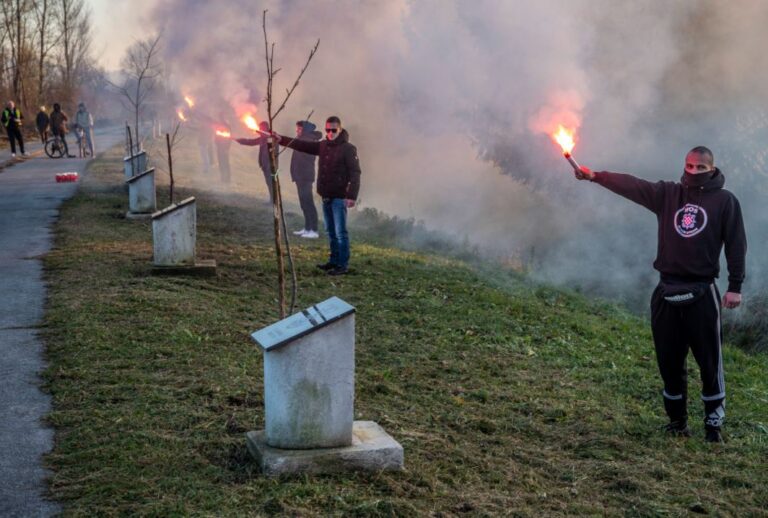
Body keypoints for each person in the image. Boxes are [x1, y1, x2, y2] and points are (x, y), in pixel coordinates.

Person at [575, 146, 746, 443]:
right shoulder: (668, 195)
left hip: (703, 291)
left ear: (712, 169)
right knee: (669, 361)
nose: (693, 172)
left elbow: (736, 244)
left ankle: (713, 426)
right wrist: (595, 176)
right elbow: (634, 185)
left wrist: (735, 287)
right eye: (689, 167)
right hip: (666, 289)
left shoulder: (725, 201)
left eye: (699, 168)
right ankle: (677, 422)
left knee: (709, 361)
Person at [276, 115, 361, 276]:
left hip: (339, 197)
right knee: (330, 231)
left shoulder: (348, 149)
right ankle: (333, 261)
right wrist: (281, 139)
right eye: (327, 130)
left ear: (340, 129)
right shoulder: (323, 145)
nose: (330, 133)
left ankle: (342, 265)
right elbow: (302, 145)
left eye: (333, 130)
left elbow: (355, 173)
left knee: (340, 232)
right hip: (326, 195)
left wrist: (352, 196)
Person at [289, 120, 322, 239]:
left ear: (305, 130)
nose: (297, 131)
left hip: (305, 177)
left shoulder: (308, 141)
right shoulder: (302, 140)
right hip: (300, 177)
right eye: (297, 128)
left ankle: (314, 230)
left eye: (299, 129)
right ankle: (307, 228)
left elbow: (307, 158)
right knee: (304, 203)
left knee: (308, 203)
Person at [234, 120, 279, 203]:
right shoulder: (262, 138)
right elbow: (251, 142)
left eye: (260, 128)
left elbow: (275, 138)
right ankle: (272, 199)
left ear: (266, 128)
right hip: (264, 164)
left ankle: (274, 201)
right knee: (269, 183)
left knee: (272, 183)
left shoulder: (273, 136)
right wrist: (239, 140)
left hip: (271, 164)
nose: (259, 129)